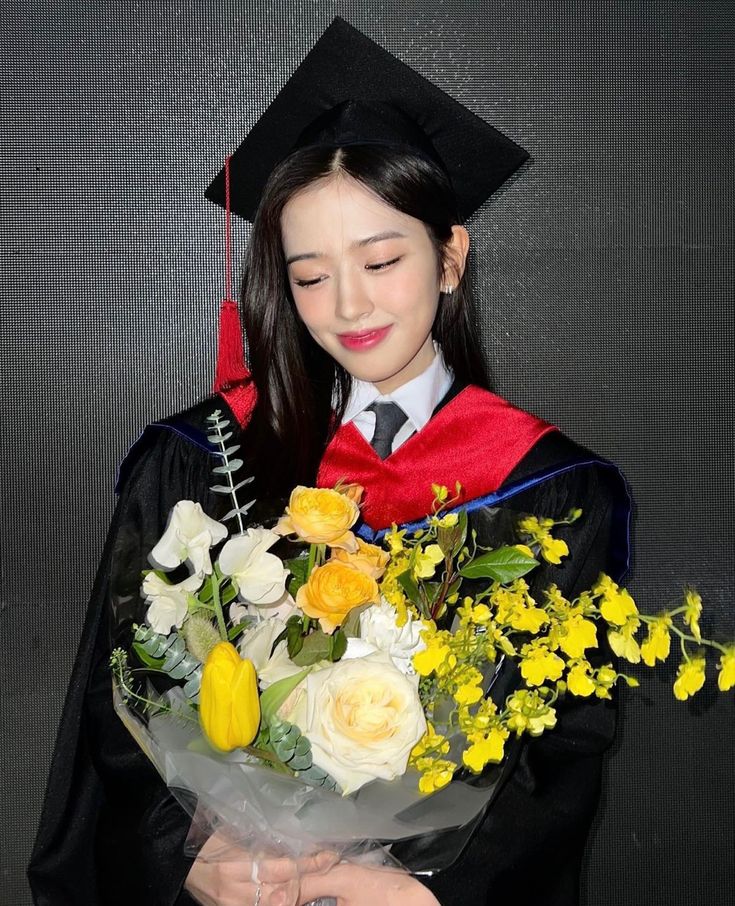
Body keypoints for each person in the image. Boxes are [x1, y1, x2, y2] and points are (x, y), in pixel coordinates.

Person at [28, 16, 631, 906]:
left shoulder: (544, 486)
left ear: (451, 256)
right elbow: (118, 705)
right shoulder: (204, 458)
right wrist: (186, 857)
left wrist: (420, 889)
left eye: (382, 259)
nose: (348, 305)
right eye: (309, 276)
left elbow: (563, 745)